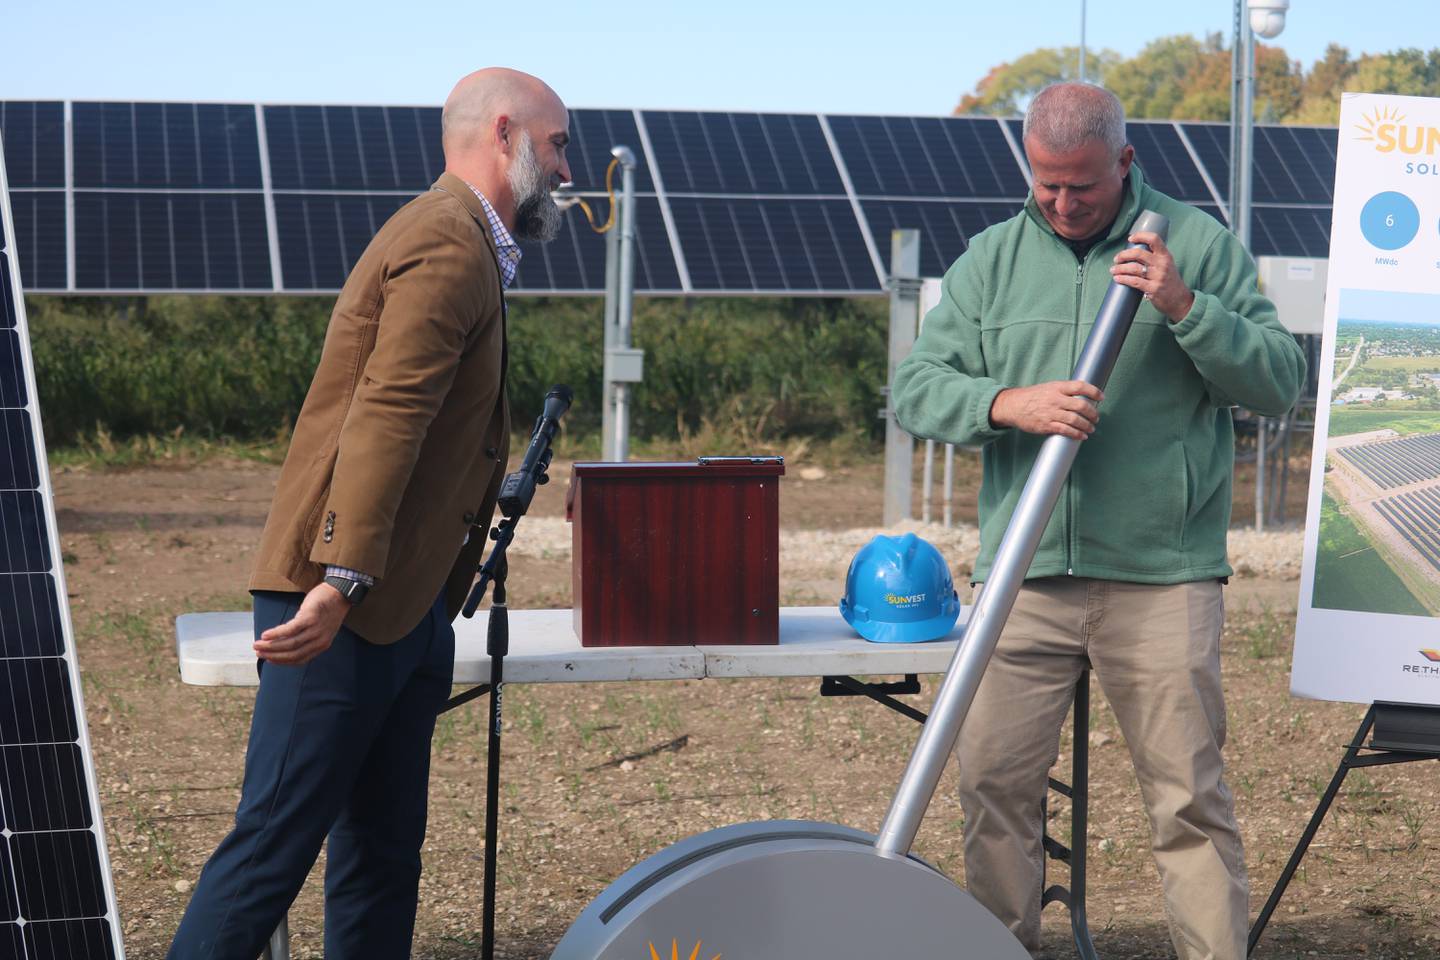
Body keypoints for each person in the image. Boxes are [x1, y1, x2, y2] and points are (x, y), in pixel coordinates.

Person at [893, 82, 1305, 960]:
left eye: (1082, 184)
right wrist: (1009, 402)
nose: (1063, 203)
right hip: (1023, 576)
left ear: (1125, 161)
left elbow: (1278, 381)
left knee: (1188, 799)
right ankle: (1002, 949)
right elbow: (915, 389)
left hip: (1163, 577)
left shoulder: (1196, 244)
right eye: (1046, 184)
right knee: (994, 786)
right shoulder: (991, 259)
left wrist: (1188, 309)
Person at [168, 67, 572, 959]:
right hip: (339, 604)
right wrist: (343, 579)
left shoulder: (467, 240)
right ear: (504, 135)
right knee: (271, 851)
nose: (568, 169)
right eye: (558, 144)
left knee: (382, 858)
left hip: (402, 609)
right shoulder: (447, 240)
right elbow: (389, 411)